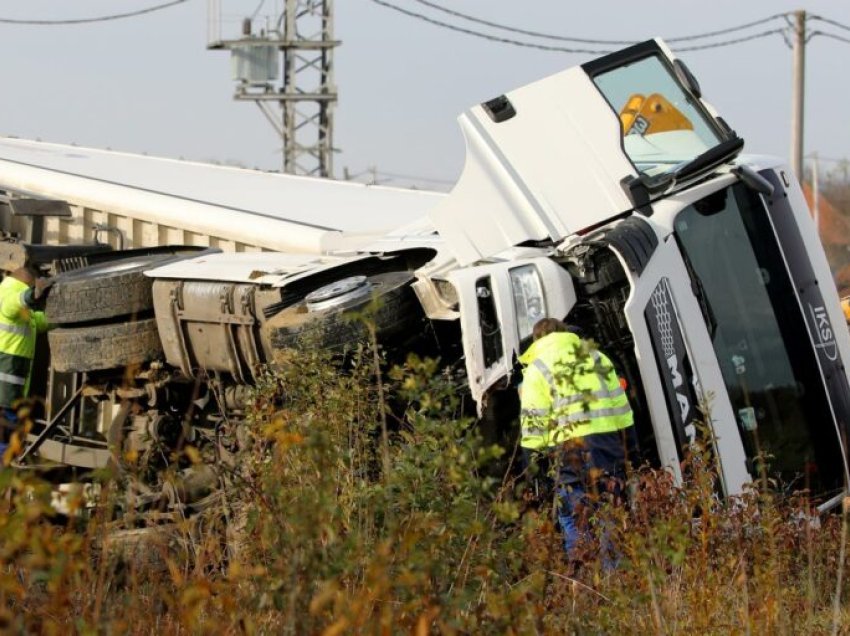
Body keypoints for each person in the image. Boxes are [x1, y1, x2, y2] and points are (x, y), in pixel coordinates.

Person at [519, 317, 635, 561]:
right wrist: (631, 448)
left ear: (537, 340)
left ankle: (582, 583)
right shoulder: (597, 357)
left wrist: (533, 469)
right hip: (607, 445)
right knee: (609, 513)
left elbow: (533, 425)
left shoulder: (537, 368)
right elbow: (622, 408)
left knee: (573, 518)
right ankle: (615, 581)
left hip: (569, 452)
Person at [0, 267, 51, 459]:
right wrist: (32, 294)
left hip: (9, 394)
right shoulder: (7, 295)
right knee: (5, 445)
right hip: (4, 395)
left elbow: (37, 322)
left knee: (8, 443)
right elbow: (14, 303)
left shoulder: (21, 313)